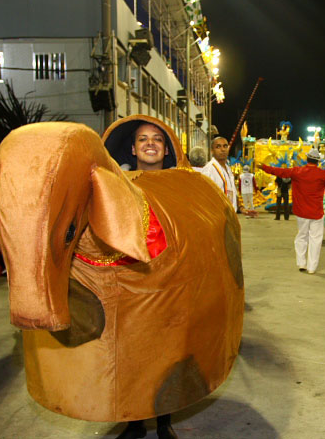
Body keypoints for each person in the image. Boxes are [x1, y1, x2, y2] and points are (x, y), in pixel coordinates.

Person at [112, 120, 177, 439]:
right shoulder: (116, 186)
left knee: (167, 357)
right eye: (143, 139)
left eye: (157, 140)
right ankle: (135, 423)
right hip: (128, 285)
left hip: (171, 286)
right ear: (133, 148)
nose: (150, 144)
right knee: (130, 358)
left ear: (166, 149)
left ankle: (164, 422)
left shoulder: (184, 186)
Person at [257, 149, 325, 274]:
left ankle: (301, 263)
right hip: (316, 212)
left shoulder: (297, 171)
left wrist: (264, 167)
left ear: (307, 159)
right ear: (318, 161)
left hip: (301, 212)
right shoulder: (322, 174)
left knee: (301, 237)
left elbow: (280, 172)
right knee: (315, 239)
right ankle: (312, 267)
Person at [202, 137, 251, 215]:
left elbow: (232, 192)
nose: (223, 149)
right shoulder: (208, 170)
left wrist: (241, 208)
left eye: (225, 146)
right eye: (218, 147)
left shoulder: (228, 168)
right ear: (212, 151)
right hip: (217, 217)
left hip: (230, 216)